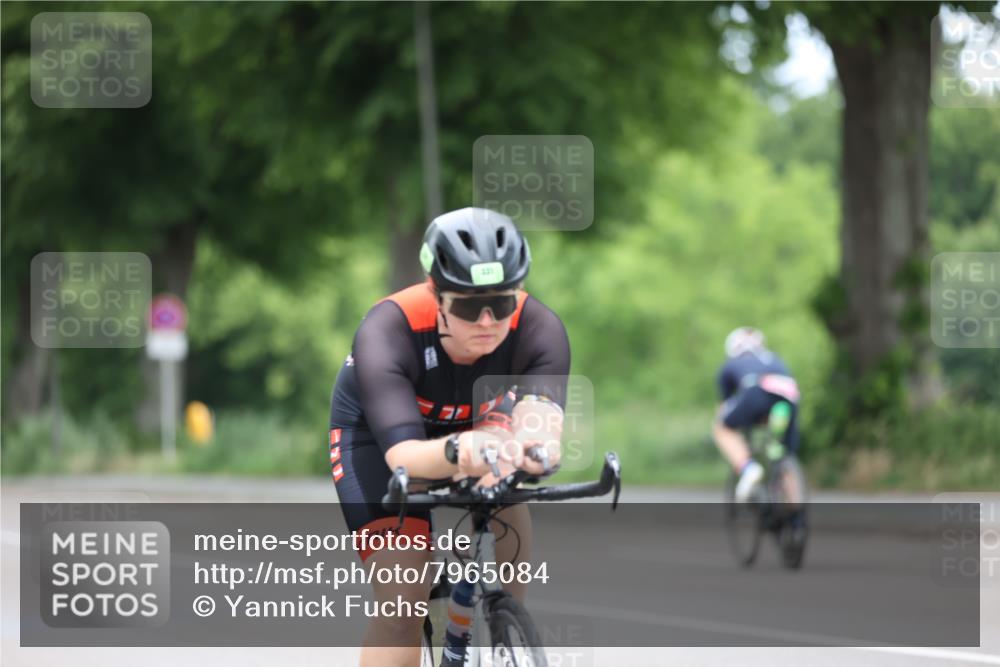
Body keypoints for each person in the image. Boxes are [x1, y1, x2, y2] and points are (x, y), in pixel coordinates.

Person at [328, 207, 570, 667]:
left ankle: (506, 623)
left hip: (479, 423)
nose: (485, 321)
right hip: (381, 440)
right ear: (435, 293)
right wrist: (462, 451)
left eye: (500, 304)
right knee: (402, 601)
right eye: (466, 305)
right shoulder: (388, 329)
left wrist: (536, 449)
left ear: (518, 292)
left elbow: (539, 423)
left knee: (508, 483)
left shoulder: (541, 330)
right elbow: (406, 457)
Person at [713, 327, 801, 502]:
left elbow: (725, 405)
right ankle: (795, 511)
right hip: (789, 397)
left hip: (755, 392)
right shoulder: (774, 358)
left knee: (721, 427)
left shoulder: (730, 364)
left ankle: (748, 468)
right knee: (784, 455)